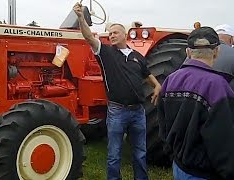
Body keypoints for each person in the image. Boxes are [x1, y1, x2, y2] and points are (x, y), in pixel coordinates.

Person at [73, 3, 161, 180]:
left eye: (115, 33)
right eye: (110, 33)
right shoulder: (105, 52)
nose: (111, 36)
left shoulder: (137, 56)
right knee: (114, 155)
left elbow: (147, 74)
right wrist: (81, 18)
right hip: (117, 111)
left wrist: (157, 86)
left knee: (140, 153)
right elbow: (89, 37)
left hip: (138, 112)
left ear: (124, 35)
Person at [158, 27, 234, 180]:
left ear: (188, 52)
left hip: (179, 166)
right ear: (216, 52)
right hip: (205, 173)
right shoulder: (218, 86)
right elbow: (222, 139)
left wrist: (172, 152)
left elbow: (163, 125)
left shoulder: (170, 80)